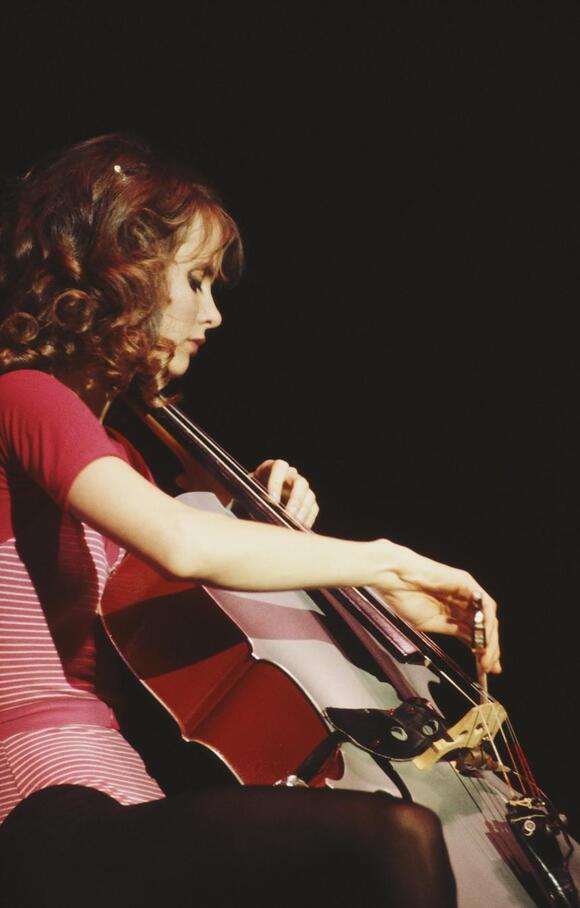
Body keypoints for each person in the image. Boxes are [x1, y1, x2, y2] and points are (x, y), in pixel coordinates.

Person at [0, 133, 499, 907]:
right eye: (194, 280)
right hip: (34, 795)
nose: (213, 313)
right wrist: (385, 561)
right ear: (121, 274)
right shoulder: (25, 396)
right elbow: (183, 544)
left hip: (116, 787)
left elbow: (196, 582)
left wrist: (254, 522)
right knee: (391, 837)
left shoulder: (125, 460)